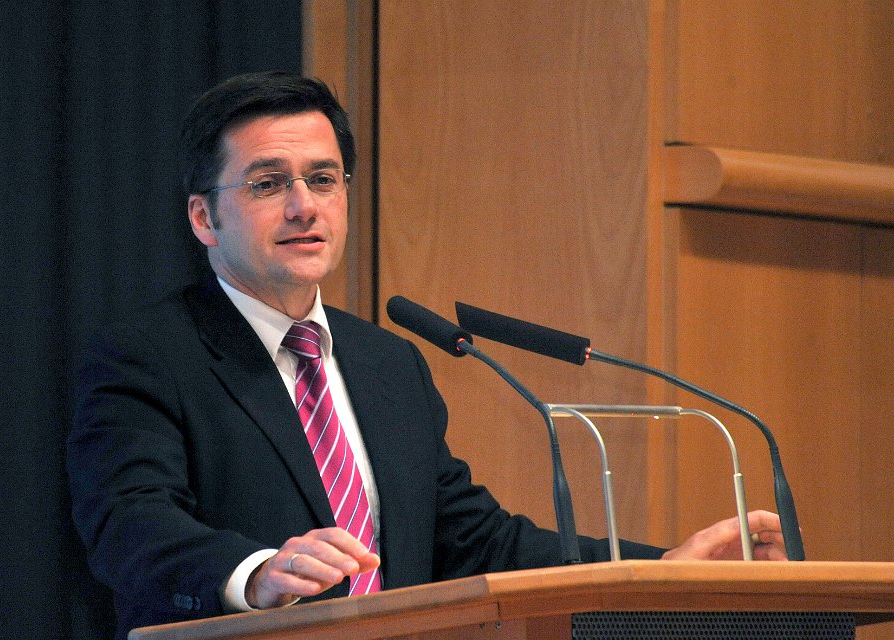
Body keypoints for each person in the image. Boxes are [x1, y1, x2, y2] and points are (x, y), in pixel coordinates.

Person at [66, 71, 786, 639]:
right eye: (268, 183)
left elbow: (475, 541)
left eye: (323, 179)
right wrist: (256, 573)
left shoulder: (387, 364)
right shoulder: (148, 355)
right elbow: (129, 526)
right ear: (203, 217)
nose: (303, 206)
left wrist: (659, 568)